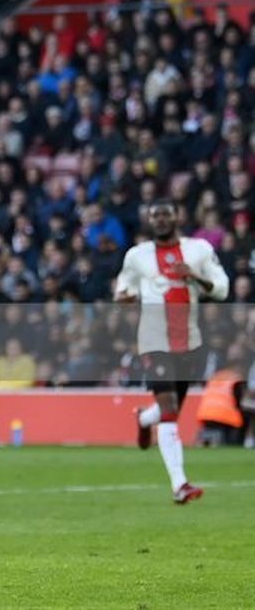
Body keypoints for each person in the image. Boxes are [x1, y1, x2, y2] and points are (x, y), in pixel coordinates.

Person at [115, 198, 229, 504]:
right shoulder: (137, 256)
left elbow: (222, 288)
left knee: (172, 409)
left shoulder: (199, 251)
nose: (161, 220)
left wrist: (194, 276)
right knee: (169, 411)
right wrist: (125, 297)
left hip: (190, 342)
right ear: (150, 221)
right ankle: (180, 484)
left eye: (166, 214)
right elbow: (122, 289)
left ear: (177, 217)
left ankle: (142, 420)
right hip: (154, 341)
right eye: (155, 216)